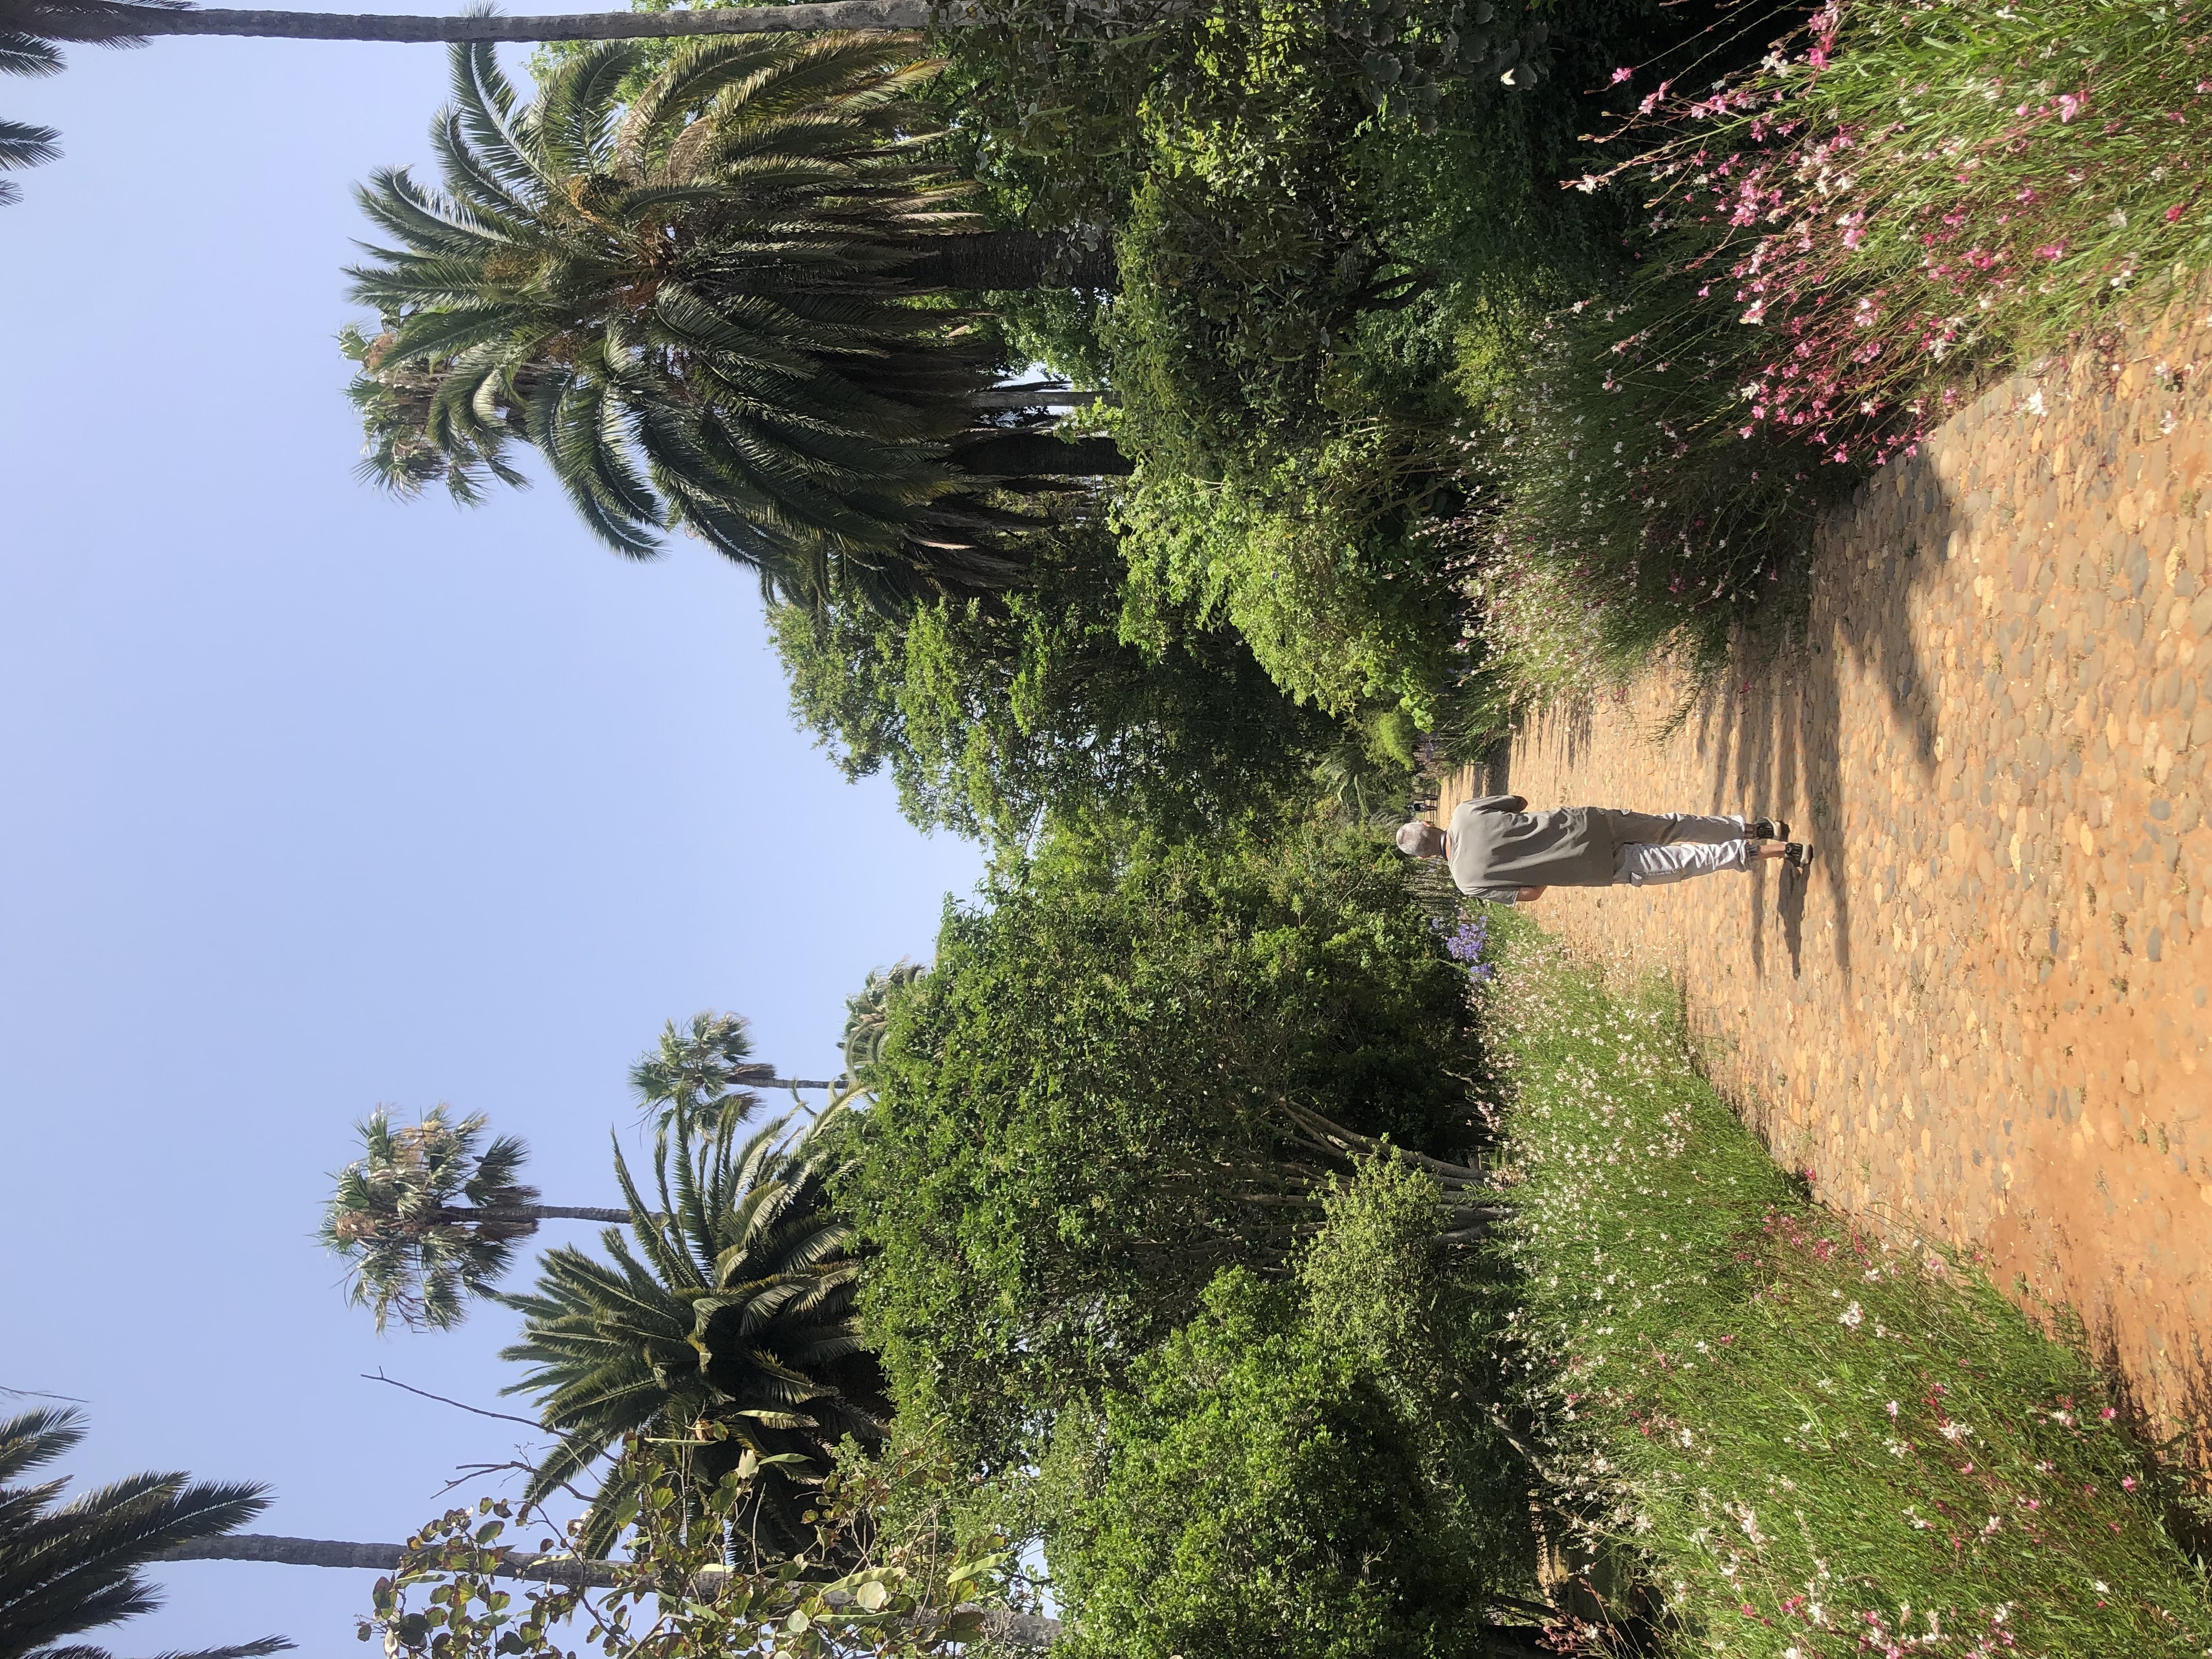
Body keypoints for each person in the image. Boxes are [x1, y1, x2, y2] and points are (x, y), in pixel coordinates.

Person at [1396, 795, 1813, 904]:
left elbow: (1531, 893)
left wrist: (1543, 864)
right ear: (1429, 824)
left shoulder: (1467, 882)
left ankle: (1781, 851)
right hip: (1589, 822)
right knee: (1672, 826)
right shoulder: (1466, 812)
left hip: (1592, 866)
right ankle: (1753, 827)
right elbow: (1519, 803)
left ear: (1427, 858)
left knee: (1682, 862)